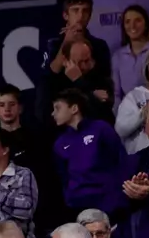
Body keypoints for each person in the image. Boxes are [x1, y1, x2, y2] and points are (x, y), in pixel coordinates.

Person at [50, 88, 125, 217]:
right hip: (77, 207)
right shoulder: (60, 143)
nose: (53, 113)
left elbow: (120, 160)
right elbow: (63, 176)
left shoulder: (101, 129)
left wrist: (116, 198)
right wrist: (70, 199)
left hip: (108, 204)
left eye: (57, 108)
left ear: (74, 109)